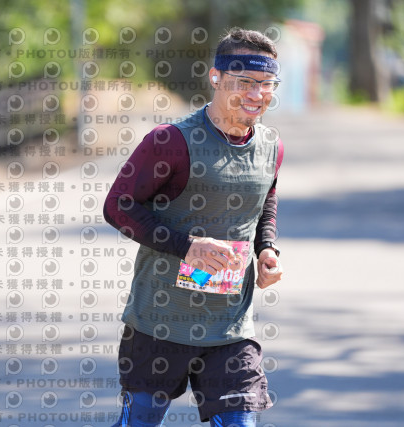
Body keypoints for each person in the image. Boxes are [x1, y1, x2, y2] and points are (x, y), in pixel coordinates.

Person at [103, 27, 284, 427]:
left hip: (231, 329)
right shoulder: (169, 141)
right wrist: (187, 247)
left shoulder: (271, 146)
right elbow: (118, 206)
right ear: (216, 77)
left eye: (267, 83)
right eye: (245, 82)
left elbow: (265, 198)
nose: (257, 94)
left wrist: (267, 248)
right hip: (160, 323)